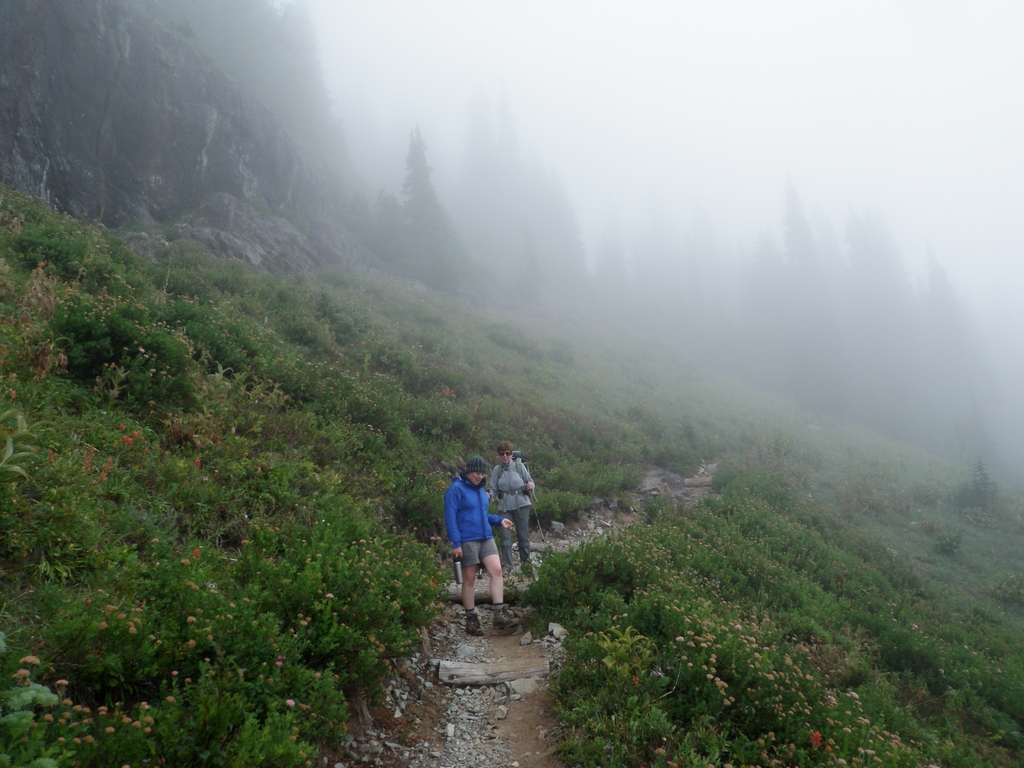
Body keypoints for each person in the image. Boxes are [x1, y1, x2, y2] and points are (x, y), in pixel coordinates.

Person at [444, 455, 518, 635]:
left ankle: (499, 614)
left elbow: (483, 515)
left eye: (483, 473)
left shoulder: (480, 491)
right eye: (477, 473)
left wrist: (500, 521)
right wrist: (455, 543)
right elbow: (450, 517)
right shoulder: (456, 489)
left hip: (486, 536)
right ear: (469, 471)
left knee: (497, 571)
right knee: (469, 579)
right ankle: (471, 619)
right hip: (467, 538)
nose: (480, 476)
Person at [488, 441, 535, 575]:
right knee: (505, 537)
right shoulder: (497, 470)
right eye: (502, 453)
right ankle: (506, 566)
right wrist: (488, 495)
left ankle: (526, 566)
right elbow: (493, 488)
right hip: (505, 507)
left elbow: (530, 481)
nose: (505, 456)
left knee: (523, 536)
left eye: (507, 453)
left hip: (522, 504)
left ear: (511, 454)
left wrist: (530, 486)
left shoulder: (519, 466)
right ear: (499, 454)